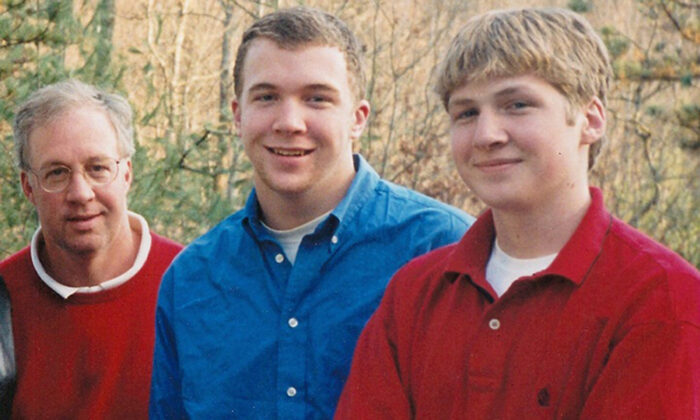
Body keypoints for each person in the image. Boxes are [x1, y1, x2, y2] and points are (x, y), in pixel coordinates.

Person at [336, 7, 700, 419]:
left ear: (591, 120)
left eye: (518, 104)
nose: (487, 135)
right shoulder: (413, 294)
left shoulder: (660, 299)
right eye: (467, 113)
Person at [149, 6, 473, 419]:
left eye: (317, 98)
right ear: (237, 115)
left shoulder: (441, 249)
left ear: (358, 119)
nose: (289, 122)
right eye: (267, 97)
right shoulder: (192, 280)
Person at [0, 79, 183, 419]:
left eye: (98, 168)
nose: (81, 193)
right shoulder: (4, 297)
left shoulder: (188, 282)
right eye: (57, 173)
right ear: (28, 187)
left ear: (126, 173)